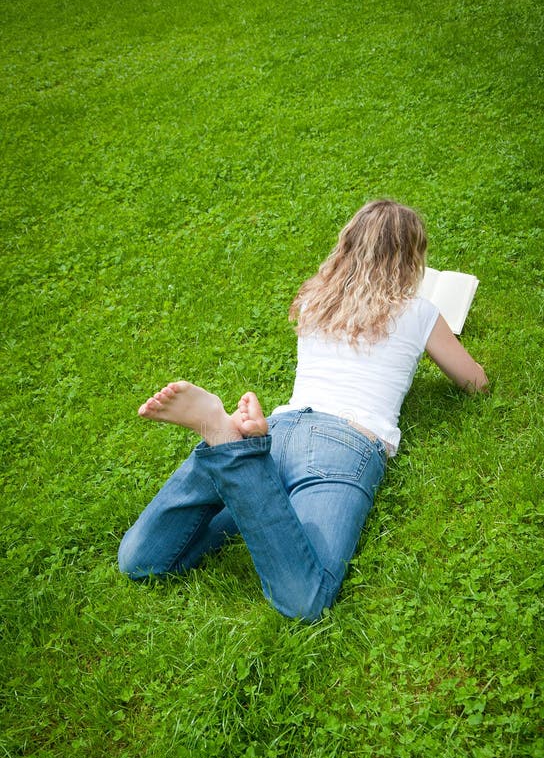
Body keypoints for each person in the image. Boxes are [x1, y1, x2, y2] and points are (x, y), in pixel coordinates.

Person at [118, 200, 488, 621]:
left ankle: (230, 447)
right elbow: (474, 383)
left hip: (277, 430)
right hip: (344, 444)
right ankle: (228, 446)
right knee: (305, 599)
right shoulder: (420, 310)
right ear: (412, 258)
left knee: (140, 563)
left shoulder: (315, 299)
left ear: (346, 245)